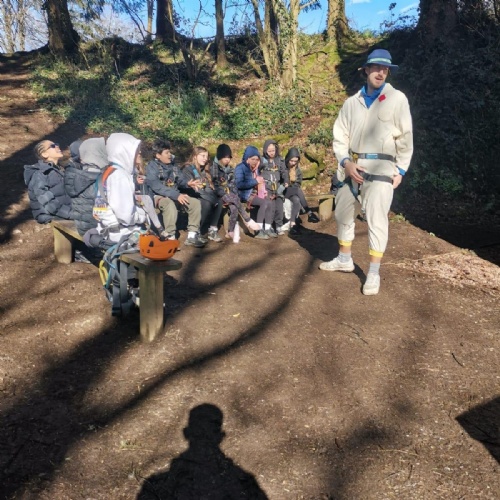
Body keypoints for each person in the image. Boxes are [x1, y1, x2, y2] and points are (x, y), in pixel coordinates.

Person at [319, 48, 413, 295]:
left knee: (377, 220)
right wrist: (346, 163)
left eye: (385, 69)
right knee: (342, 214)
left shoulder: (397, 99)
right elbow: (340, 136)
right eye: (377, 68)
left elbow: (405, 137)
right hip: (352, 168)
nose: (381, 72)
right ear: (367, 70)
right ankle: (344, 258)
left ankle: (373, 272)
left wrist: (401, 169)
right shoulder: (352, 103)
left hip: (382, 168)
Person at [89, 132, 147, 245]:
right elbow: (126, 216)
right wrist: (142, 215)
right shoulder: (120, 176)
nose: (139, 152)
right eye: (136, 149)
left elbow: (100, 208)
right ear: (124, 152)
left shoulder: (109, 171)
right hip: (121, 236)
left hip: (106, 230)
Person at [145, 139, 205, 248]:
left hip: (174, 194)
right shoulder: (151, 167)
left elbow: (180, 179)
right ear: (158, 155)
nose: (170, 155)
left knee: (195, 203)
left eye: (170, 152)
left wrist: (188, 183)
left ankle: (192, 235)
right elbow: (157, 187)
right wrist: (176, 195)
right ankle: (170, 237)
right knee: (169, 204)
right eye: (167, 152)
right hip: (158, 196)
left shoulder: (173, 165)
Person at [211, 144, 260, 242]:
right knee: (235, 199)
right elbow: (215, 185)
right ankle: (247, 220)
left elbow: (233, 184)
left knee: (234, 208)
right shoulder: (214, 168)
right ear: (220, 156)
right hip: (218, 193)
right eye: (225, 157)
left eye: (229, 157)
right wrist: (225, 193)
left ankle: (231, 231)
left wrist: (232, 193)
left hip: (229, 194)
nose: (227, 159)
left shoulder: (230, 169)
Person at [64, 137, 108, 236]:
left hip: (83, 227)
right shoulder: (98, 178)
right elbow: (103, 211)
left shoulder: (79, 174)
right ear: (98, 153)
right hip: (98, 230)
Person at [24, 140, 73, 224]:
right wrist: (73, 214)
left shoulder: (61, 170)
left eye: (57, 144)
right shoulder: (40, 174)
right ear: (44, 154)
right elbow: (48, 203)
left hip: (65, 214)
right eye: (52, 146)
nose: (57, 146)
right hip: (52, 217)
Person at [182, 147, 223, 243]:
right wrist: (210, 199)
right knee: (206, 203)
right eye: (203, 156)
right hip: (190, 195)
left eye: (207, 156)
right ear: (195, 156)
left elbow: (208, 187)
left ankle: (212, 230)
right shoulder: (187, 169)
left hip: (202, 194)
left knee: (219, 201)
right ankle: (196, 231)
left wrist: (214, 196)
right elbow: (192, 189)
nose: (205, 158)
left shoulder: (204, 169)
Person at [234, 146, 274, 240]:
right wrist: (255, 181)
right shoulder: (240, 167)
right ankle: (258, 230)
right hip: (244, 194)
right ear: (247, 158)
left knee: (269, 202)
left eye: (257, 159)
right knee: (264, 203)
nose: (255, 161)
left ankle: (267, 228)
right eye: (252, 159)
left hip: (254, 193)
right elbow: (239, 184)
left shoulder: (255, 169)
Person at [283, 147, 320, 236]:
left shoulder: (297, 170)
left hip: (293, 192)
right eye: (291, 161)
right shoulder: (283, 167)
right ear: (288, 159)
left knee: (296, 200)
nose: (293, 163)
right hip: (283, 191)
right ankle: (309, 212)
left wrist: (292, 185)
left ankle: (292, 225)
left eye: (295, 161)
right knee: (298, 190)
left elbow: (298, 183)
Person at [261, 139, 287, 235]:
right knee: (270, 206)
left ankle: (279, 226)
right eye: (269, 151)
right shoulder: (262, 160)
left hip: (278, 187)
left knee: (279, 207)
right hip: (267, 188)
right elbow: (257, 172)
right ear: (265, 150)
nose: (272, 153)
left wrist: (286, 181)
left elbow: (284, 172)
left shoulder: (279, 160)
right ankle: (269, 225)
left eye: (273, 150)